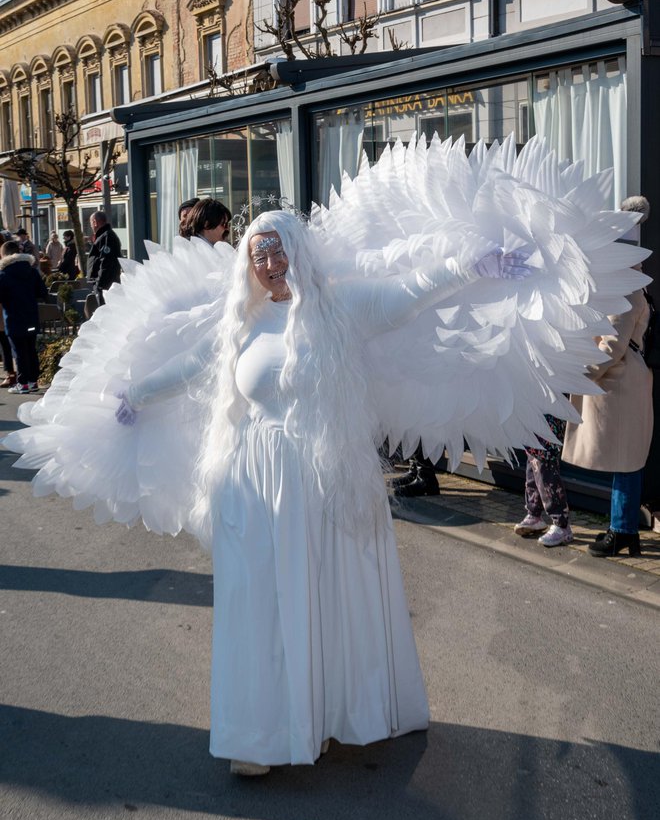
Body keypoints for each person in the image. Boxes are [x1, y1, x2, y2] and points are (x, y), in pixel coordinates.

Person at [112, 211, 532, 776]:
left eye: (278, 251)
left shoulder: (341, 307)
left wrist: (467, 266)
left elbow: (408, 294)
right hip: (253, 485)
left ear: (298, 250)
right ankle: (260, 738)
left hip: (325, 481)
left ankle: (338, 713)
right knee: (257, 606)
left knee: (331, 594)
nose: (270, 265)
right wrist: (136, 393)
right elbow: (192, 367)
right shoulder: (242, 323)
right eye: (259, 256)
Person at [562, 196, 654, 558]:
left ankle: (622, 531)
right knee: (625, 460)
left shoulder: (627, 287)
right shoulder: (628, 283)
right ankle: (622, 530)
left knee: (626, 461)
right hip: (618, 383)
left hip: (618, 383)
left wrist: (578, 374)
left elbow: (612, 346)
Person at [514, 414, 572, 546]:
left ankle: (562, 525)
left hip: (548, 415)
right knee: (533, 463)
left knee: (546, 468)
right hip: (534, 412)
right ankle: (534, 514)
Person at [0, 239, 48, 393]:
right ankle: (33, 381)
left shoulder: (4, 274)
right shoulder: (32, 271)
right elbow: (42, 293)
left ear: (5, 255)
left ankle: (23, 384)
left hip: (13, 318)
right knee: (31, 349)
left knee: (19, 351)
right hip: (31, 316)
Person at [88, 211, 122, 304]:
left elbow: (106, 261)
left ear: (95, 222)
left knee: (105, 311)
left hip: (105, 285)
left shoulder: (106, 236)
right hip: (104, 284)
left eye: (91, 223)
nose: (91, 226)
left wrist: (100, 283)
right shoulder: (103, 236)